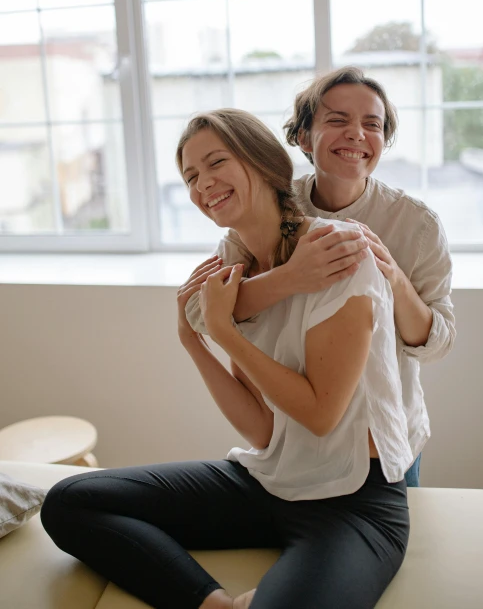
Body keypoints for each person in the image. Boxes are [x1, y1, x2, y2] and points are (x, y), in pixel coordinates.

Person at [41, 107, 412, 609]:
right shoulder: (235, 270)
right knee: (69, 504)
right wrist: (192, 340)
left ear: (261, 162)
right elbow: (261, 430)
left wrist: (223, 330)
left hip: (353, 501)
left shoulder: (337, 251)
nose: (202, 185)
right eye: (191, 176)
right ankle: (215, 604)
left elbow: (321, 415)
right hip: (269, 479)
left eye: (216, 163)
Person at [185, 67, 456, 487]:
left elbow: (437, 343)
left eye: (372, 125)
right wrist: (291, 277)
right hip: (301, 444)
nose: (356, 134)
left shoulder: (416, 225)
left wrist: (395, 282)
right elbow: (201, 309)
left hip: (383, 436)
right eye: (337, 120)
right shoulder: (270, 205)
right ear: (304, 138)